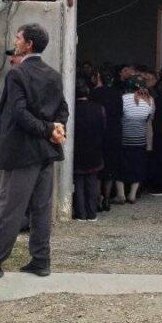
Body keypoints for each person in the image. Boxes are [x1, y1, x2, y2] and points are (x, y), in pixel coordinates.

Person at [0, 23, 68, 279]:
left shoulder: (17, 73)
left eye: (18, 38)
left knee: (9, 210)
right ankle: (41, 261)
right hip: (47, 152)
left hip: (22, 152)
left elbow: (19, 114)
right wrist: (56, 129)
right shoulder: (53, 74)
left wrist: (48, 129)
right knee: (41, 209)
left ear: (28, 44)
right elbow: (63, 110)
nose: (15, 41)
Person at [116, 77, 155, 204]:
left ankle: (121, 194)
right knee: (138, 166)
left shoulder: (123, 98)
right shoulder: (150, 100)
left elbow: (118, 117)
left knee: (120, 166)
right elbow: (149, 121)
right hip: (140, 139)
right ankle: (132, 194)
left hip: (123, 137)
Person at [72, 78, 106, 221]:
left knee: (79, 182)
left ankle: (80, 213)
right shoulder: (99, 108)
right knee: (92, 182)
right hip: (95, 148)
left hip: (77, 149)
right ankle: (92, 213)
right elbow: (103, 127)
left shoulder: (72, 109)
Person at [90, 68, 122, 208]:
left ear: (99, 78)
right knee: (110, 168)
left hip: (98, 133)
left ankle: (98, 199)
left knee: (98, 168)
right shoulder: (117, 93)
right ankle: (107, 199)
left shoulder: (95, 93)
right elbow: (121, 113)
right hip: (114, 133)